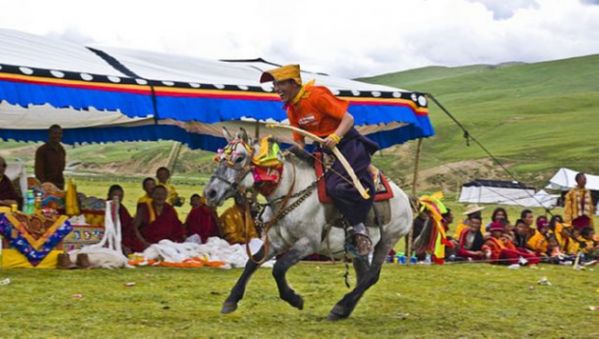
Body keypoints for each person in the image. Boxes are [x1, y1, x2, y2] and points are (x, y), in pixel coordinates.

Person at [260, 64, 378, 256]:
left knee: (336, 187)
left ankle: (358, 229)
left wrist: (336, 137)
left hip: (348, 146)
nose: (276, 88)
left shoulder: (317, 95)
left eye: (280, 83)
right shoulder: (292, 108)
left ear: (294, 82)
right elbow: (299, 142)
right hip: (323, 151)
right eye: (274, 84)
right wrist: (287, 155)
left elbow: (348, 119)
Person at [132, 185, 185, 250]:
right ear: (152, 195)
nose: (160, 197)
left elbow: (177, 228)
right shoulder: (144, 208)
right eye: (157, 194)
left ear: (166, 196)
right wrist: (144, 242)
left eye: (162, 194)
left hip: (167, 245)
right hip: (148, 244)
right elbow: (134, 227)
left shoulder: (170, 209)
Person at [106, 185, 138, 253]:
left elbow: (128, 224)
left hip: (124, 237)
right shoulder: (105, 207)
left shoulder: (122, 208)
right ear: (108, 195)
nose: (117, 198)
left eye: (120, 196)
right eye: (115, 195)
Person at [34, 124, 66, 189]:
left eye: (60, 133)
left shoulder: (61, 149)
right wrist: (44, 185)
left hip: (60, 184)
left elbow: (62, 167)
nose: (57, 136)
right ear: (49, 134)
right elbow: (38, 171)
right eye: (55, 133)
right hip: (46, 185)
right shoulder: (42, 150)